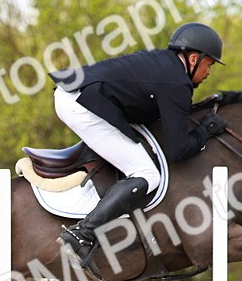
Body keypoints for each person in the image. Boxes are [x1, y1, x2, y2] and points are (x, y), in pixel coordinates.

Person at [49, 22, 229, 265]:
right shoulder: (176, 82)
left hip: (77, 94)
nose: (209, 73)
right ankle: (82, 234)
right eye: (209, 65)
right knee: (146, 174)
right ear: (194, 58)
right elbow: (178, 151)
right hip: (81, 105)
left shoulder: (165, 65)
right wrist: (205, 131)